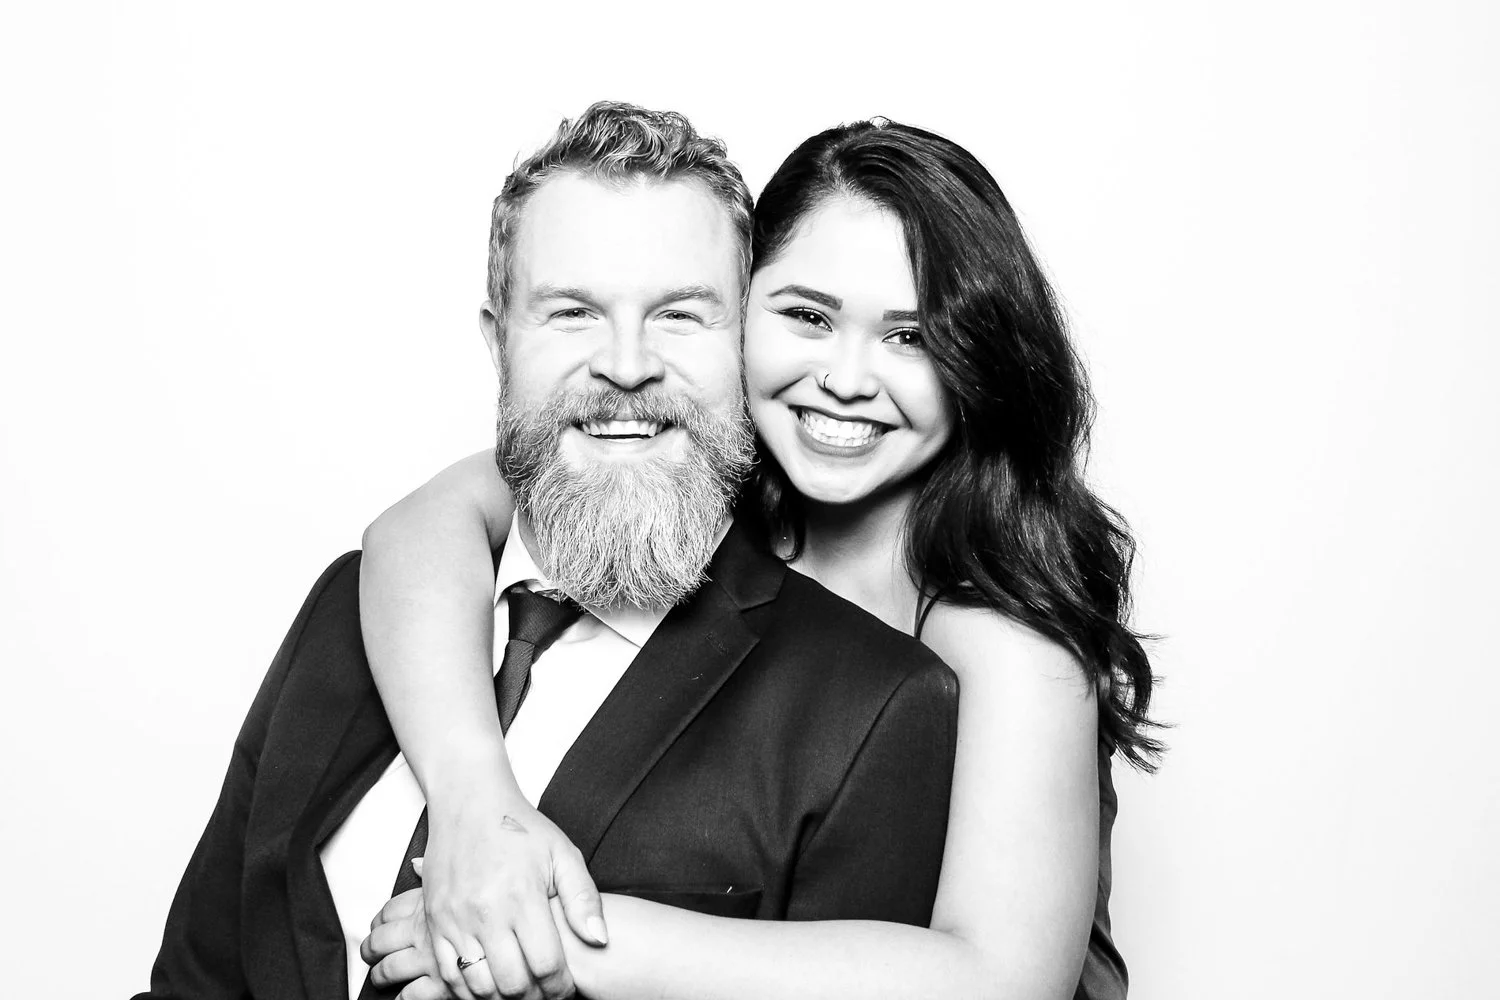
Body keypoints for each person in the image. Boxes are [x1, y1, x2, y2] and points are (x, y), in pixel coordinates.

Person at [134, 103, 963, 1000]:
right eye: (572, 313)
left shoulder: (875, 707)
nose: (627, 366)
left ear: (745, 347)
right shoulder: (359, 601)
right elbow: (196, 979)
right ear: (499, 345)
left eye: (681, 316)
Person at [356, 113, 1159, 1000]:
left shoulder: (1004, 638)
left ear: (978, 362)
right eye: (808, 316)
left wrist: (547, 935)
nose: (848, 379)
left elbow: (999, 983)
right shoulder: (703, 493)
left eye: (910, 336)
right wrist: (477, 803)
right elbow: (416, 530)